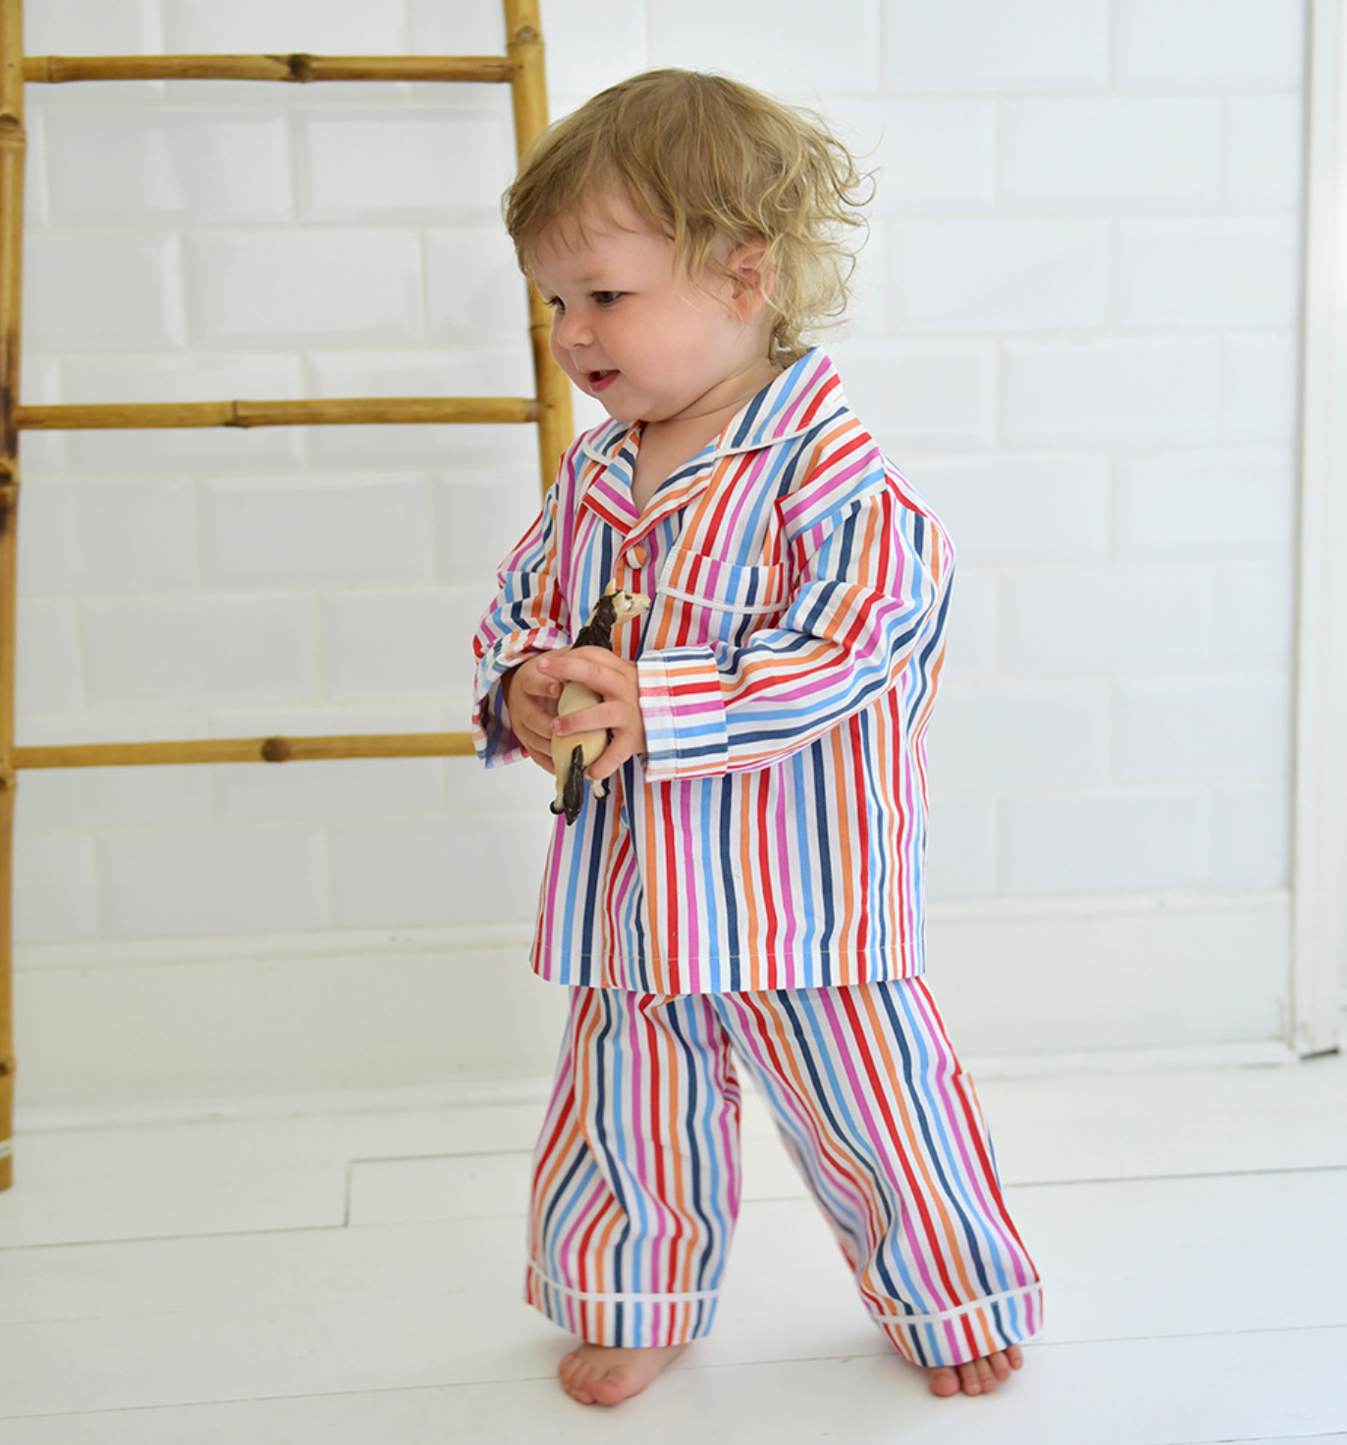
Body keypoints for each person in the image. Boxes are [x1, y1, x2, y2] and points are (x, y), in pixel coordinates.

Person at [472, 68, 1041, 1408]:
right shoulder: (599, 473)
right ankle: (635, 1293)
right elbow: (520, 608)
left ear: (743, 279)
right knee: (626, 1116)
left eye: (604, 295)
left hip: (802, 901)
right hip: (633, 896)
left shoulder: (839, 481)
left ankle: (950, 1290)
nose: (570, 331)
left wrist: (655, 706)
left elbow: (849, 654)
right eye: (553, 300)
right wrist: (528, 687)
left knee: (881, 1115)